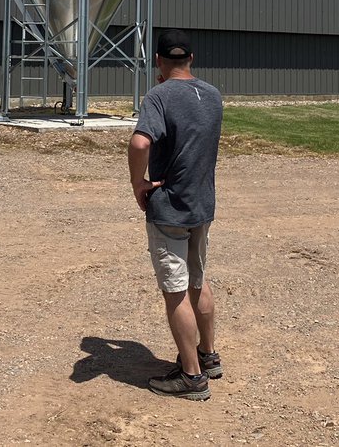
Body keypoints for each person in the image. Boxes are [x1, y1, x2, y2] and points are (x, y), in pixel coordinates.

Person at [129, 28, 224, 400]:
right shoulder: (213, 95)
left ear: (158, 61)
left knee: (176, 291)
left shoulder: (158, 95)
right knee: (199, 281)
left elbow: (140, 141)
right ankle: (208, 356)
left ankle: (191, 377)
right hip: (202, 203)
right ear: (192, 59)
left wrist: (139, 182)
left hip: (169, 206)